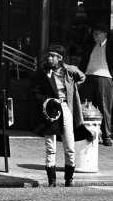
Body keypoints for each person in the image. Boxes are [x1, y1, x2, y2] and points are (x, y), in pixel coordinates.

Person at [31, 44, 92, 187]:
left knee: (69, 146)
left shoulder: (68, 72)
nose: (50, 58)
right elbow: (35, 93)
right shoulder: (43, 73)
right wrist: (50, 99)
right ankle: (52, 181)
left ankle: (68, 180)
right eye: (49, 56)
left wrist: (70, 72)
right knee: (50, 147)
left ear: (60, 58)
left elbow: (82, 77)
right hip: (50, 108)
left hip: (66, 108)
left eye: (54, 56)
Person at [78, 23, 113, 146]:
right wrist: (80, 77)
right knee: (85, 107)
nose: (95, 36)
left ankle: (106, 136)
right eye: (94, 34)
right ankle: (84, 134)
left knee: (104, 109)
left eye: (97, 34)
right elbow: (82, 62)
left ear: (105, 35)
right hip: (88, 78)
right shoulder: (88, 45)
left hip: (105, 79)